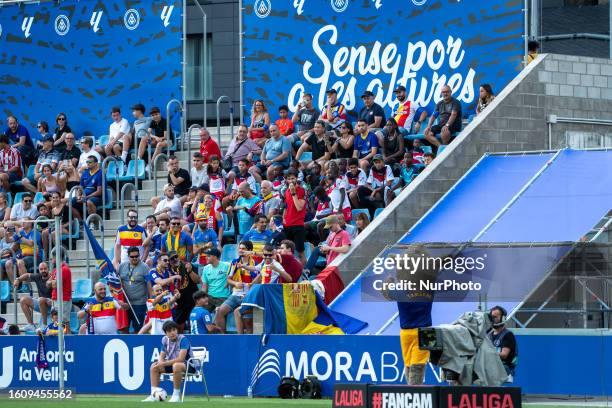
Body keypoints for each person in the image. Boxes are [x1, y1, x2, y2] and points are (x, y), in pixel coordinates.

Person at [143, 320, 196, 403]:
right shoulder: (164, 340)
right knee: (154, 366)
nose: (172, 333)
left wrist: (163, 363)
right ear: (165, 333)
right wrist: (160, 363)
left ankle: (176, 395)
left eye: (174, 330)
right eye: (169, 331)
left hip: (189, 365)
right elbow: (162, 356)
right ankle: (153, 394)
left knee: (177, 365)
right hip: (173, 364)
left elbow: (181, 359)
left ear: (177, 330)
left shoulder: (183, 339)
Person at [213, 242, 257, 333]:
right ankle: (223, 337)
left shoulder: (255, 264)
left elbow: (258, 282)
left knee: (246, 320)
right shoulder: (234, 262)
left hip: (248, 296)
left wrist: (249, 294)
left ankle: (243, 338)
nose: (240, 250)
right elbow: (228, 280)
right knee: (219, 311)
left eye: (243, 248)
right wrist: (235, 283)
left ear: (249, 251)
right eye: (239, 248)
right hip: (236, 294)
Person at [117, 246, 151, 333]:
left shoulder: (145, 267)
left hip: (139, 304)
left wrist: (151, 300)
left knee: (138, 329)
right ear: (128, 256)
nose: (135, 258)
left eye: (137, 256)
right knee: (124, 328)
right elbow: (116, 282)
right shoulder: (121, 266)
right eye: (132, 256)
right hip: (125, 303)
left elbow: (149, 284)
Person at [15, 261, 52, 331]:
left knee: (41, 299)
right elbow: (26, 275)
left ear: (48, 269)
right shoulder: (38, 276)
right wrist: (18, 279)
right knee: (23, 300)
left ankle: (44, 325)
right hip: (41, 303)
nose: (43, 270)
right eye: (41, 269)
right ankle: (30, 324)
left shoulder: (53, 277)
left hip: (52, 304)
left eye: (45, 268)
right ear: (39, 270)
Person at [283, 169, 307, 264]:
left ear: (296, 178)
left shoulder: (301, 190)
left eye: (293, 178)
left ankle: (304, 272)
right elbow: (286, 206)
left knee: (301, 252)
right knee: (288, 253)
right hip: (287, 225)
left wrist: (293, 193)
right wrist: (283, 218)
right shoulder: (286, 191)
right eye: (289, 179)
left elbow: (299, 207)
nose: (291, 181)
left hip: (298, 224)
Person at [487, 306, 518, 378]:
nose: (493, 319)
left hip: (504, 367)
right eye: (492, 317)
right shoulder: (488, 336)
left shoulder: (508, 335)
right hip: (491, 366)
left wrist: (486, 354)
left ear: (503, 318)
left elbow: (504, 355)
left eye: (495, 317)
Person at [200, 248, 231, 312]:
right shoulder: (206, 268)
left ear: (215, 257)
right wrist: (202, 299)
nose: (206, 258)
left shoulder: (227, 265)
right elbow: (204, 286)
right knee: (201, 312)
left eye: (208, 256)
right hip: (210, 297)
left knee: (219, 315)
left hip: (223, 297)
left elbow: (233, 277)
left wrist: (228, 283)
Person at [47, 248, 72, 327]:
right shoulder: (56, 270)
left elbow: (55, 285)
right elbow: (47, 284)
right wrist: (52, 282)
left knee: (64, 323)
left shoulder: (64, 269)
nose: (51, 259)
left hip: (63, 300)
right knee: (57, 323)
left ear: (56, 257)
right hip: (56, 300)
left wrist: (52, 282)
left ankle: (69, 339)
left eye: (52, 257)